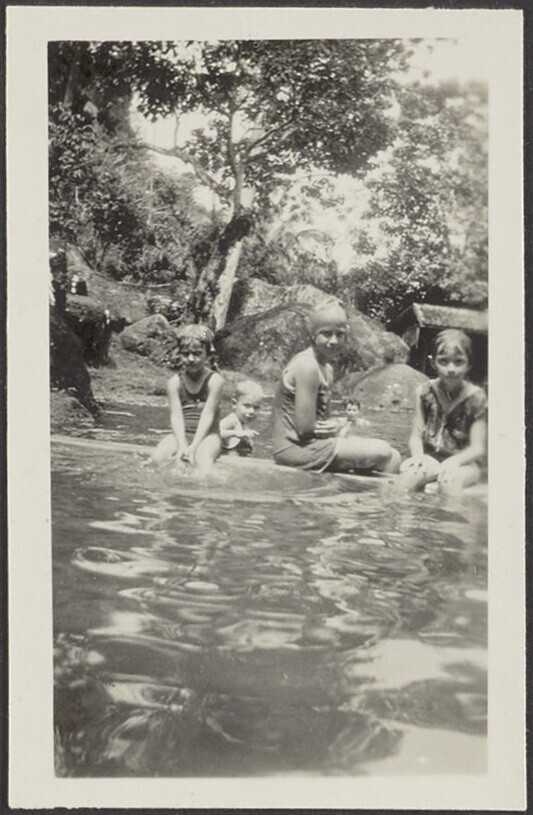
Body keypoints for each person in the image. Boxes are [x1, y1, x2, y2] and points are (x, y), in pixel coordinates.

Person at [272, 298, 401, 474]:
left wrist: (337, 428)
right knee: (383, 451)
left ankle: (354, 489)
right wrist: (338, 426)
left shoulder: (327, 368)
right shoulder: (307, 366)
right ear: (312, 335)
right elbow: (304, 430)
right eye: (326, 334)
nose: (334, 341)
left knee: (395, 457)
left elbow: (324, 422)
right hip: (293, 449)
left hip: (314, 445)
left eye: (340, 334)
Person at [398, 329, 487, 494]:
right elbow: (416, 436)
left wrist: (454, 461)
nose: (451, 369)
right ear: (433, 363)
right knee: (410, 475)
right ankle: (401, 510)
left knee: (449, 479)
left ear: (469, 365)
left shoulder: (476, 398)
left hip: (464, 462)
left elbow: (478, 448)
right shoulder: (424, 392)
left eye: (458, 362)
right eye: (443, 361)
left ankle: (451, 511)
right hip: (431, 457)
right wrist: (417, 457)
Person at [152, 324, 224, 475]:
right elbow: (176, 417)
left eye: (197, 353)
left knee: (203, 460)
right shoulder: (174, 383)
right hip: (181, 434)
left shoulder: (215, 381)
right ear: (179, 354)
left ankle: (205, 486)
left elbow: (208, 415)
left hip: (208, 435)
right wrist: (182, 445)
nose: (191, 359)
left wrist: (193, 447)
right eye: (186, 354)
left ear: (208, 354)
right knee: (156, 458)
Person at [220, 380, 264, 456]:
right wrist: (236, 433)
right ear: (234, 404)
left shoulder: (244, 423)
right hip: (227, 461)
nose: (252, 411)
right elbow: (215, 433)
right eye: (247, 406)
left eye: (256, 407)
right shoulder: (232, 420)